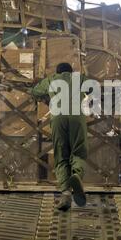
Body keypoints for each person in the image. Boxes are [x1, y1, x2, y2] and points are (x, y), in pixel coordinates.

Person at [31, 62, 87, 211]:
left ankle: (66, 193)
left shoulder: (51, 79)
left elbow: (35, 92)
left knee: (61, 154)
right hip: (77, 117)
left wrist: (46, 96)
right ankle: (76, 176)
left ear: (57, 72)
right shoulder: (80, 79)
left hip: (58, 118)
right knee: (78, 151)